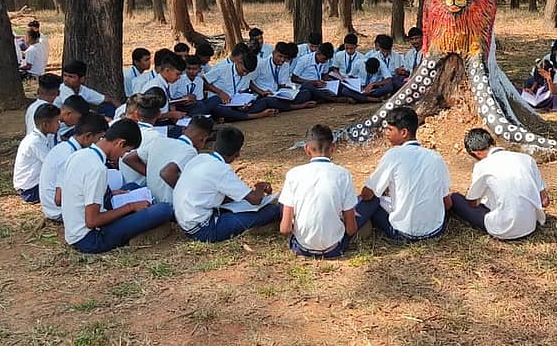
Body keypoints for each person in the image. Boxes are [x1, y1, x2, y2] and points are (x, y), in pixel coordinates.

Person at [60, 119, 175, 253]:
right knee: (164, 209)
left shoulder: (79, 155)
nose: (122, 156)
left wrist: (110, 193)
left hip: (75, 229)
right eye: (126, 151)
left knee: (132, 187)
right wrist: (130, 207)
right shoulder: (97, 169)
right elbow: (92, 221)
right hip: (91, 238)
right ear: (120, 143)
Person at [355, 107, 451, 242]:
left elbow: (367, 194)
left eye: (390, 129)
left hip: (402, 233)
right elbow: (447, 203)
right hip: (435, 231)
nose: (386, 133)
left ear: (404, 132)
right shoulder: (436, 157)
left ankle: (349, 229)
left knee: (370, 199)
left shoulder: (393, 155)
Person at [173, 126, 281, 242]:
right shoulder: (221, 169)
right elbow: (255, 200)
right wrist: (259, 187)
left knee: (238, 205)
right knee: (273, 210)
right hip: (204, 230)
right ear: (237, 153)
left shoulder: (200, 158)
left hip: (186, 222)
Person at [450, 128, 549, 240]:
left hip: (503, 229)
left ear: (476, 153)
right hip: (530, 225)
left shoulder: (482, 166)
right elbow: (545, 202)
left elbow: (473, 203)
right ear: (492, 142)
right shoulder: (527, 159)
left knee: (455, 198)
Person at [279, 125, 358, 258]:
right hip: (334, 248)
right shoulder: (343, 174)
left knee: (284, 201)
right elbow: (351, 229)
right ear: (332, 148)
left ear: (306, 149)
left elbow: (285, 229)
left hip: (302, 248)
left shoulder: (293, 174)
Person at [40, 113, 108, 221]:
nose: (101, 143)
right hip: (59, 211)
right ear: (87, 136)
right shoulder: (70, 156)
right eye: (100, 138)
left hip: (53, 206)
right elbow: (59, 199)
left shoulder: (65, 147)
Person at [131, 116, 214, 204]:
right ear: (203, 139)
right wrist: (185, 193)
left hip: (150, 199)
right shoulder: (190, 151)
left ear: (184, 129)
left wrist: (151, 173)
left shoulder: (159, 141)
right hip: (169, 204)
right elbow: (166, 173)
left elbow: (129, 158)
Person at [207, 51, 280, 121]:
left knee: (264, 102)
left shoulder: (247, 75)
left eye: (248, 72)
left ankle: (231, 118)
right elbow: (205, 82)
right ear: (239, 62)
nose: (245, 74)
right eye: (244, 70)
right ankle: (258, 115)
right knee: (220, 110)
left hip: (235, 106)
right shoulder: (222, 69)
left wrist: (245, 105)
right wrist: (220, 92)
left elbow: (243, 93)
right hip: (220, 103)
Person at [249, 42, 318, 111]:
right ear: (273, 53)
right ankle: (299, 106)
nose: (282, 60)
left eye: (285, 57)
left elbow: (281, 85)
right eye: (280, 56)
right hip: (263, 95)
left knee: (306, 93)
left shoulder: (285, 65)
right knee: (268, 101)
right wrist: (262, 92)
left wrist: (289, 91)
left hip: (277, 94)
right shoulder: (261, 64)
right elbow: (250, 82)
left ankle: (284, 106)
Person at [13, 104, 61, 203]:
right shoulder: (35, 142)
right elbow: (53, 164)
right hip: (30, 190)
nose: (59, 125)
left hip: (33, 184)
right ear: (45, 125)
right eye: (57, 121)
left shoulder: (43, 137)